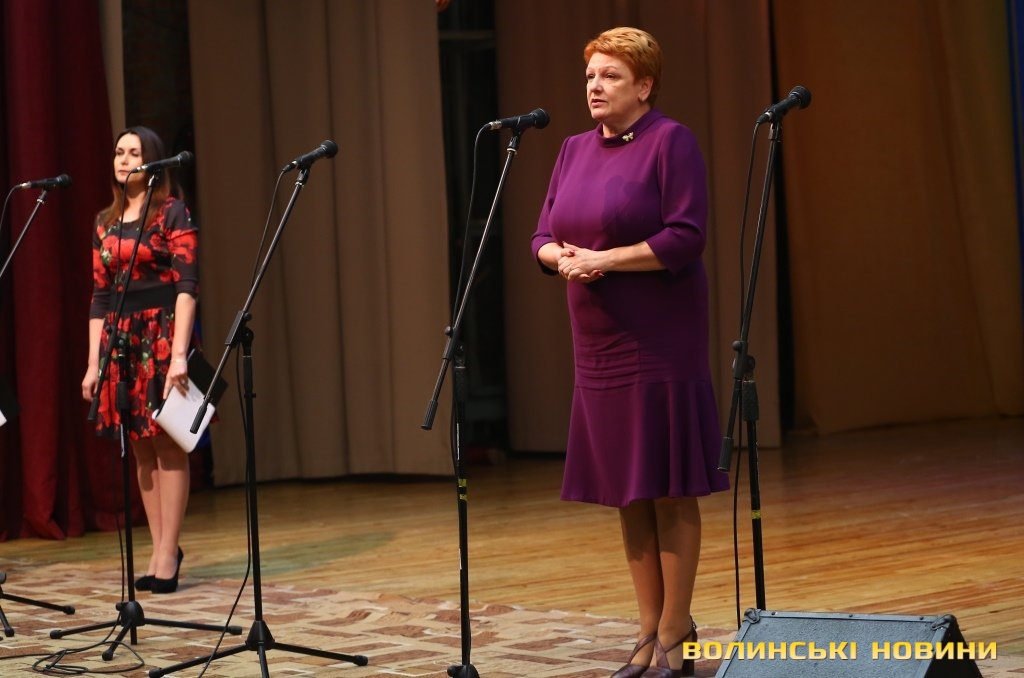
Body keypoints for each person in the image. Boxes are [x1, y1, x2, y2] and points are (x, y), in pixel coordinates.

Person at [531, 27, 729, 677]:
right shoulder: (571, 149)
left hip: (659, 336)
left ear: (644, 86)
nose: (595, 85)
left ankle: (676, 630)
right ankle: (647, 628)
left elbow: (686, 236)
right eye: (590, 75)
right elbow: (541, 234)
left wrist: (606, 260)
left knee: (667, 484)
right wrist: (559, 257)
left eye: (610, 75)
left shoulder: (671, 142)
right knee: (629, 487)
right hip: (596, 339)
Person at [81, 126, 199, 595]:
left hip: (161, 336)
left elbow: (187, 286)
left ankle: (169, 552)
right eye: (119, 152)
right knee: (140, 448)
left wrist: (180, 355)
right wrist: (93, 364)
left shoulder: (171, 211)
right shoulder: (104, 221)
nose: (124, 159)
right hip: (121, 341)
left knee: (167, 443)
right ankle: (158, 548)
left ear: (153, 161)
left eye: (134, 152)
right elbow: (99, 297)